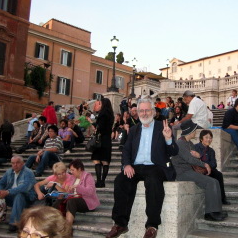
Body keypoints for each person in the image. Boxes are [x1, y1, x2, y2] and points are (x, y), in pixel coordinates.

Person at [106, 98, 178, 238]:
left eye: (147, 110)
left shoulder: (162, 127)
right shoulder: (133, 130)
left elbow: (174, 152)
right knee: (121, 180)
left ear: (153, 111)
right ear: (137, 112)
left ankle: (152, 225)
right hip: (136, 167)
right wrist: (126, 164)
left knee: (153, 180)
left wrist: (168, 139)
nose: (144, 113)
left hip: (156, 166)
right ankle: (120, 223)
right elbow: (126, 150)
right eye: (141, 111)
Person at [171, 120, 228, 221]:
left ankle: (216, 211)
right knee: (210, 182)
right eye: (194, 130)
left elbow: (195, 158)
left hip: (190, 171)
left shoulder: (190, 143)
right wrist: (205, 164)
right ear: (190, 131)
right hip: (182, 172)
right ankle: (210, 213)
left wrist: (199, 156)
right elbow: (189, 159)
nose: (196, 132)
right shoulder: (180, 143)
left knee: (214, 181)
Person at [54, 159, 100, 225]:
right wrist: (67, 191)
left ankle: (68, 224)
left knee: (72, 201)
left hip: (87, 202)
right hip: (75, 199)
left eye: (73, 170)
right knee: (59, 200)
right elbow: (70, 192)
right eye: (70, 170)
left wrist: (77, 187)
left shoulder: (88, 177)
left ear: (79, 169)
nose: (71, 172)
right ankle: (54, 221)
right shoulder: (73, 178)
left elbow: (90, 191)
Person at [194, 130, 229, 205]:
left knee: (219, 175)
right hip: (198, 170)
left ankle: (222, 198)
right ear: (201, 139)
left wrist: (208, 165)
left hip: (209, 170)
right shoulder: (195, 148)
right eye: (206, 137)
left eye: (210, 138)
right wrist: (205, 165)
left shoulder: (211, 151)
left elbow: (214, 164)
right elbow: (194, 161)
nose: (209, 140)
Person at [91, 98, 114, 188]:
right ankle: (103, 181)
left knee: (97, 160)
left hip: (100, 140)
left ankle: (99, 181)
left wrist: (93, 125)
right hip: (107, 140)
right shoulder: (111, 115)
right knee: (105, 161)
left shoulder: (102, 114)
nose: (99, 105)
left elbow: (99, 127)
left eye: (100, 103)